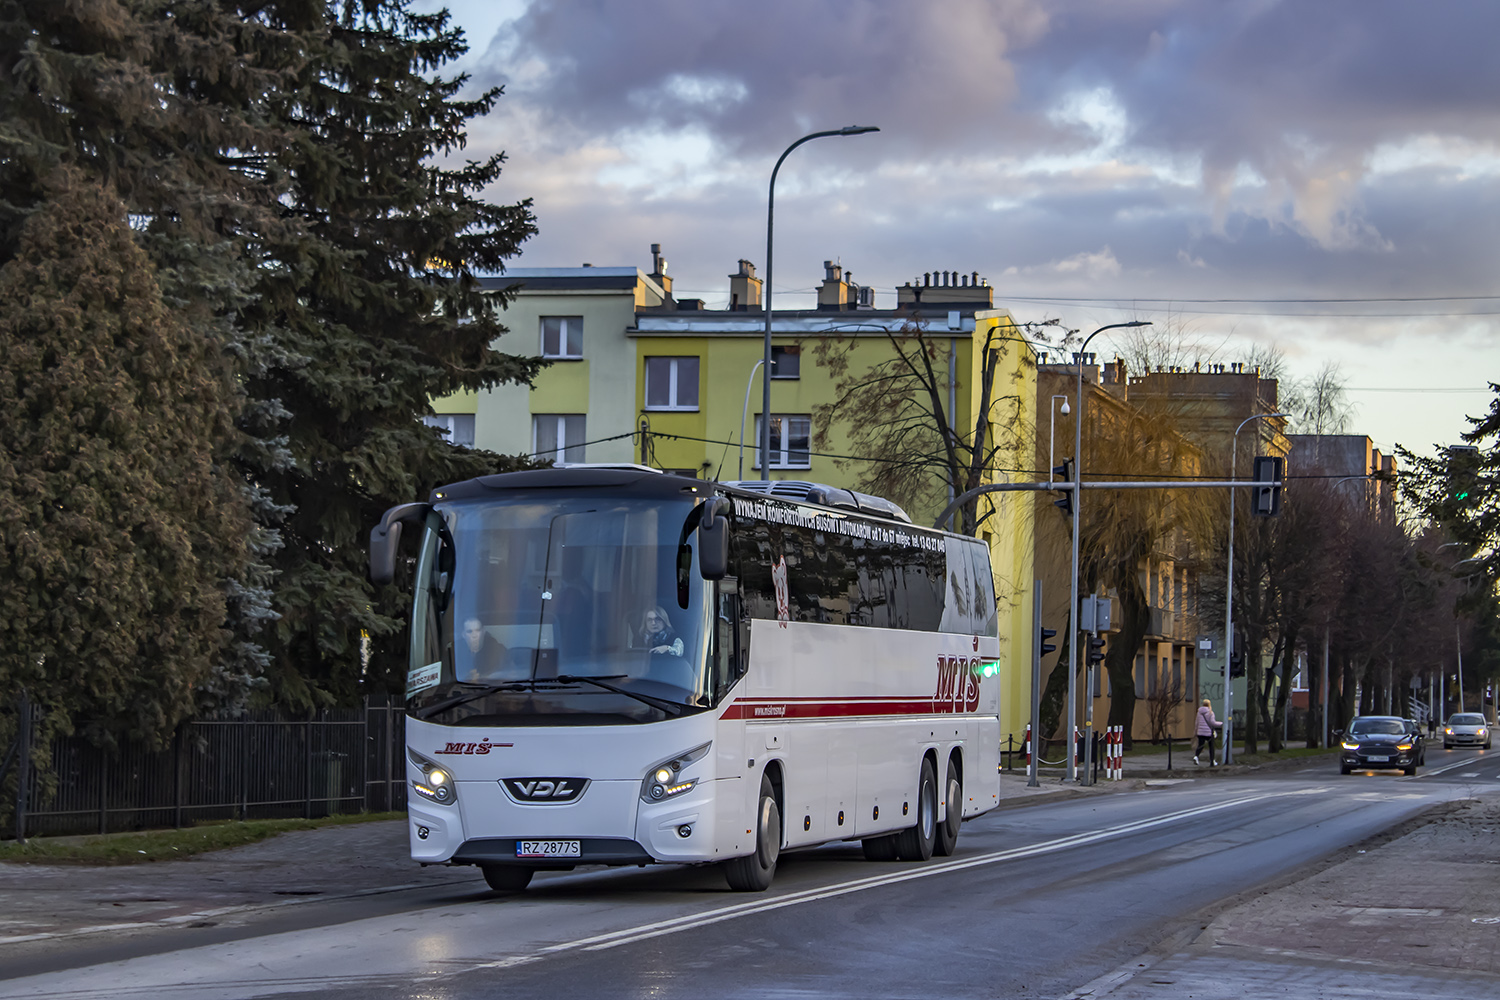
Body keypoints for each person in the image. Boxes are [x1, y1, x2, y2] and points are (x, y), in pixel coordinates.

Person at [1194, 698, 1223, 766]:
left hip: (1200, 732)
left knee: (1200, 745)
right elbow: (1213, 723)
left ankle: (1196, 756)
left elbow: (1196, 723)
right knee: (1211, 747)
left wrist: (1196, 731)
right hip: (1208, 733)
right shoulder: (1211, 713)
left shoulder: (1199, 712)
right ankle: (1212, 761)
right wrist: (1221, 724)